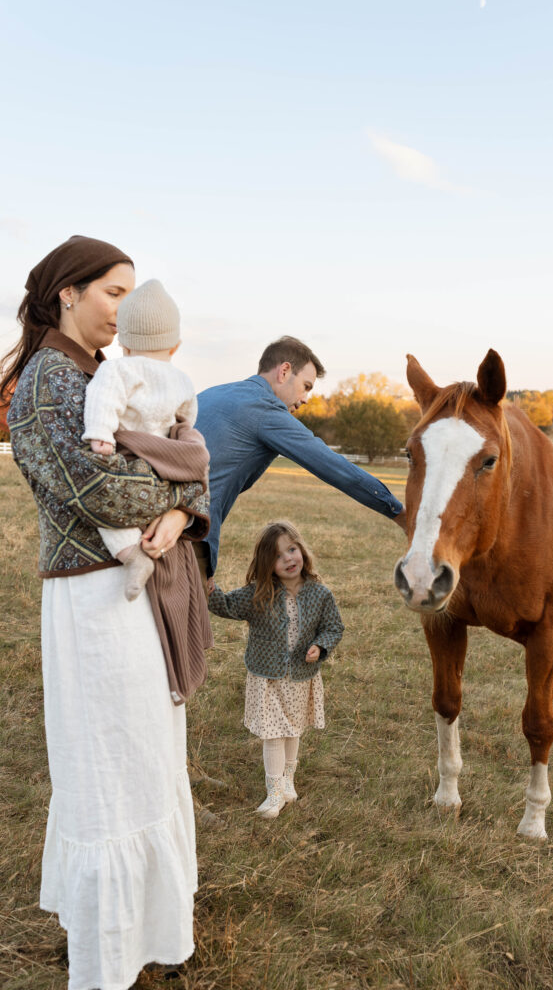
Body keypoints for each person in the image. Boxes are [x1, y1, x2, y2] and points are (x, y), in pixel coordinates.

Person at [2, 236, 209, 990]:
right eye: (112, 292)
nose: (123, 308)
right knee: (111, 772)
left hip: (139, 590)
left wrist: (185, 512)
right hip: (94, 597)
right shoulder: (48, 381)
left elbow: (188, 457)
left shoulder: (108, 374)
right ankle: (105, 954)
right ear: (68, 294)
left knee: (147, 761)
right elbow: (99, 491)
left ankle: (153, 932)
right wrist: (184, 492)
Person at [194, 335, 407, 585]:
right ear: (284, 371)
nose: (306, 399)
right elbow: (333, 466)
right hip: (187, 535)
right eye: (306, 386)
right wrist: (398, 512)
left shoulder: (209, 394)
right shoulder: (265, 410)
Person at [208, 519, 344, 818]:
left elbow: (333, 627)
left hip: (300, 676)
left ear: (302, 550)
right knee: (273, 735)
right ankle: (274, 794)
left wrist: (320, 646)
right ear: (267, 564)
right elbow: (226, 606)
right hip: (266, 677)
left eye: (292, 550)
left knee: (293, 729)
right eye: (279, 557)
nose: (288, 559)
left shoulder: (319, 594)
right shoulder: (260, 593)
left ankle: (287, 782)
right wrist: (208, 586)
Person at [83, 278, 198, 601]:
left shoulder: (117, 370)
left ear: (125, 344)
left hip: (128, 453)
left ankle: (131, 556)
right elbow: (187, 421)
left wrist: (100, 436)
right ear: (174, 346)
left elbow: (102, 402)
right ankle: (152, 545)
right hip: (164, 460)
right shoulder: (182, 379)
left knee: (106, 511)